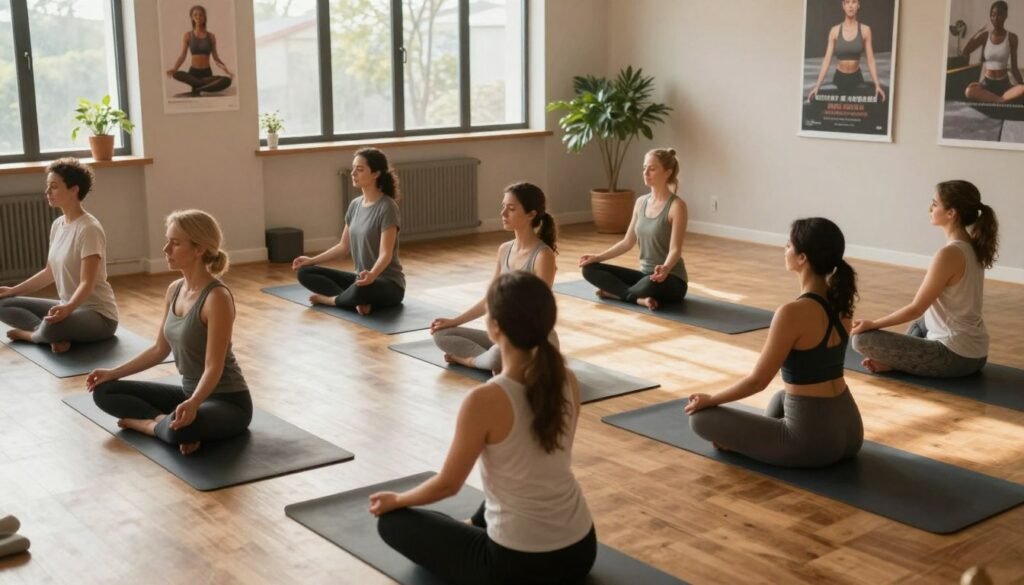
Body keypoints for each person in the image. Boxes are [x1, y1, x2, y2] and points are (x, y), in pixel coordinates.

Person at [369, 271, 596, 585]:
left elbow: (448, 485)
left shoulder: (486, 398)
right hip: (580, 550)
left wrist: (398, 500)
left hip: (516, 566)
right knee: (517, 478)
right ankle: (476, 523)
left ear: (494, 328)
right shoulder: (568, 380)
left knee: (392, 522)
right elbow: (549, 464)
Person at [686, 218, 863, 468]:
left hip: (813, 444)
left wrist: (711, 399)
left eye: (788, 245)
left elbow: (757, 381)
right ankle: (754, 441)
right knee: (781, 397)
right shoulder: (842, 304)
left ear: (802, 258)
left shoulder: (792, 312)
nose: (784, 248)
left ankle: (748, 443)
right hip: (851, 432)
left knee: (700, 419)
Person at [87, 210, 252, 456]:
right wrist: (113, 373)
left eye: (175, 243)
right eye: (168, 241)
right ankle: (164, 421)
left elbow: (213, 367)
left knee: (181, 430)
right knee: (104, 391)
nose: (166, 249)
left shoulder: (216, 298)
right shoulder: (174, 289)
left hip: (227, 401)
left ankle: (149, 426)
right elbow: (159, 349)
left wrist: (194, 404)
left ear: (199, 249)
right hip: (188, 393)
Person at [851, 181, 998, 378]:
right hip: (977, 354)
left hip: (954, 357)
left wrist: (873, 324)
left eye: (935, 204)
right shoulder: (973, 247)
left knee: (861, 340)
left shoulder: (949, 254)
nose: (930, 208)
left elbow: (915, 308)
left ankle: (896, 362)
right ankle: (896, 362)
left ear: (951, 213)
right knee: (924, 322)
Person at [431, 182, 558, 372]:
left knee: (499, 355)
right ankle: (496, 360)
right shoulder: (504, 250)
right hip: (504, 336)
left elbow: (541, 311)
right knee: (442, 335)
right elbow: (491, 299)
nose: (503, 214)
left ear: (531, 214)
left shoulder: (543, 256)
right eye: (503, 207)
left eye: (511, 209)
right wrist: (454, 321)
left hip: (532, 339)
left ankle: (470, 361)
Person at [0, 158, 118, 353]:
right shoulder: (58, 225)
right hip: (67, 307)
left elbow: (86, 283)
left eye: (54, 187)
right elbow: (49, 272)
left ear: (74, 190)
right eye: (48, 186)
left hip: (98, 315)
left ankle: (32, 335)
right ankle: (47, 336)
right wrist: (12, 291)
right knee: (3, 303)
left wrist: (69, 308)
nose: (47, 192)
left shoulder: (89, 229)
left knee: (53, 325)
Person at [292, 147, 405, 315]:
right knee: (305, 273)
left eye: (360, 169)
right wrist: (311, 260)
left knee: (362, 290)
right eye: (353, 168)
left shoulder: (387, 207)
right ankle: (356, 302)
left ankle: (332, 300)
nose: (353, 173)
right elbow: (343, 247)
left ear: (375, 174)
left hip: (387, 284)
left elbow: (385, 254)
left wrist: (373, 275)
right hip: (361, 280)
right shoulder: (355, 205)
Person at [578, 148, 687, 311]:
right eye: (644, 168)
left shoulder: (677, 206)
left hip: (671, 279)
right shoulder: (640, 202)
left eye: (652, 168)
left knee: (648, 284)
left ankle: (618, 294)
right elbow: (627, 242)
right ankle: (638, 299)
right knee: (589, 270)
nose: (646, 172)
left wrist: (665, 268)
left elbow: (675, 249)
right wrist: (598, 257)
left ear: (667, 173)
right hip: (644, 276)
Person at [807, 0, 887, 102]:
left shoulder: (865, 30)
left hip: (857, 78)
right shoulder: (834, 31)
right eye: (847, 2)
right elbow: (827, 60)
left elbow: (870, 59)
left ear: (858, 5)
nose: (850, 6)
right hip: (839, 79)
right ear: (843, 6)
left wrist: (877, 85)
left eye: (854, 2)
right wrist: (817, 86)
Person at [165, 4, 234, 96]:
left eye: (201, 14)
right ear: (192, 17)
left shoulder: (211, 37)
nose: (198, 17)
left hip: (207, 73)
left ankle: (198, 88)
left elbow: (216, 58)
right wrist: (174, 68)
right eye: (195, 15)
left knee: (227, 80)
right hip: (193, 74)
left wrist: (227, 71)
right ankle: (203, 87)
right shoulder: (188, 35)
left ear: (204, 17)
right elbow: (182, 56)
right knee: (176, 74)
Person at [963, 1, 1024, 104]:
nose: (995, 18)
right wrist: (977, 33)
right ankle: (1000, 100)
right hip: (987, 84)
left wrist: (1022, 84)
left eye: (999, 14)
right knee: (969, 91)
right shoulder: (985, 36)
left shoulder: (1012, 38)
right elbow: (966, 51)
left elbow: (1014, 68)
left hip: (1004, 84)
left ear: (1005, 15)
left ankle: (996, 99)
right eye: (993, 15)